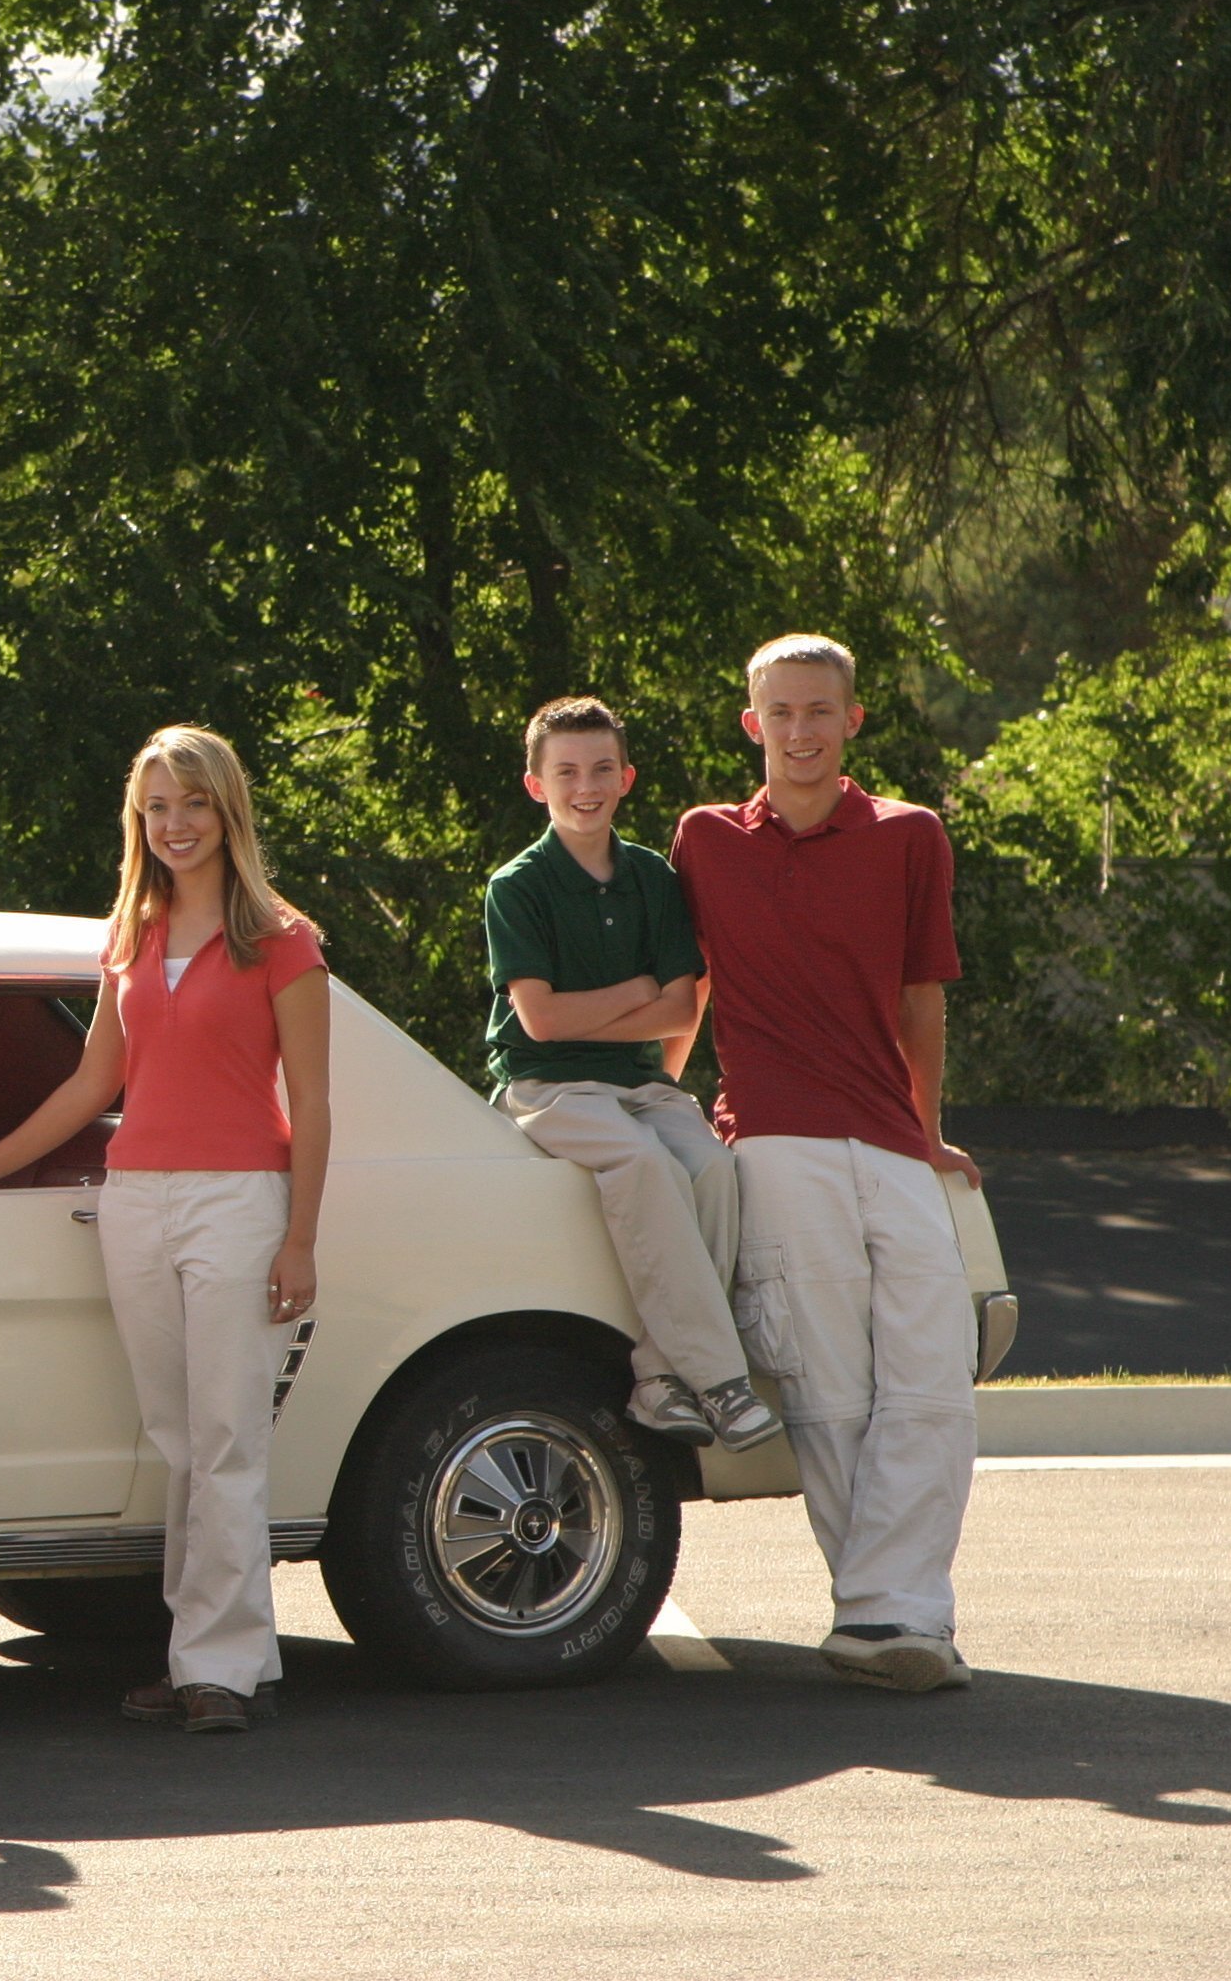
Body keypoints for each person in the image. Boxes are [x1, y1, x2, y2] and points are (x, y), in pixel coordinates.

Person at [0, 724, 328, 1735]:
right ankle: (215, 1650)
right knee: (182, 1440)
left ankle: (219, 1671)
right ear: (137, 819)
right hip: (136, 1197)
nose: (174, 822)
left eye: (191, 802)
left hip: (242, 1199)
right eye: (156, 804)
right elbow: (94, 1081)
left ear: (226, 810)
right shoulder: (131, 933)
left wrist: (301, 1238)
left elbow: (313, 1103)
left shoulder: (282, 937)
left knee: (231, 1435)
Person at [675, 635, 982, 1694]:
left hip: (889, 1137)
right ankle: (893, 1614)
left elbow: (920, 999)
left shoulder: (910, 835)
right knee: (828, 1383)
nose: (800, 729)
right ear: (752, 722)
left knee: (932, 1374)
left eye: (820, 710)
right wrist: (663, 1116)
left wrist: (926, 1127)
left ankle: (892, 1607)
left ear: (852, 720)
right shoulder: (704, 840)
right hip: (770, 1133)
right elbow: (687, 992)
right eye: (781, 712)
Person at [484, 697, 781, 1453]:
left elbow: (682, 1009)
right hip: (547, 1088)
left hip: (639, 1086)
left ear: (627, 779)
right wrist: (635, 994)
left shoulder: (652, 877)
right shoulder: (516, 887)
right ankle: (721, 1380)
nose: (585, 785)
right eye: (567, 772)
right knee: (643, 1164)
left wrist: (630, 1004)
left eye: (601, 769)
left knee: (712, 1168)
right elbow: (540, 1025)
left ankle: (657, 1379)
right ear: (536, 785)